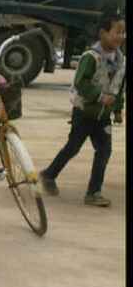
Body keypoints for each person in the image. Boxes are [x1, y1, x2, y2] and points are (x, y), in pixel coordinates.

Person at [39, 12, 126, 207]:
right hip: (84, 112)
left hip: (103, 116)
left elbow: (119, 87)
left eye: (123, 32)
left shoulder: (121, 61)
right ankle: (48, 175)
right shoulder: (91, 57)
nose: (121, 36)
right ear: (103, 33)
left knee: (104, 151)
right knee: (73, 147)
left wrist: (118, 109)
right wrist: (100, 96)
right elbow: (81, 82)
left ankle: (93, 192)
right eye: (117, 31)